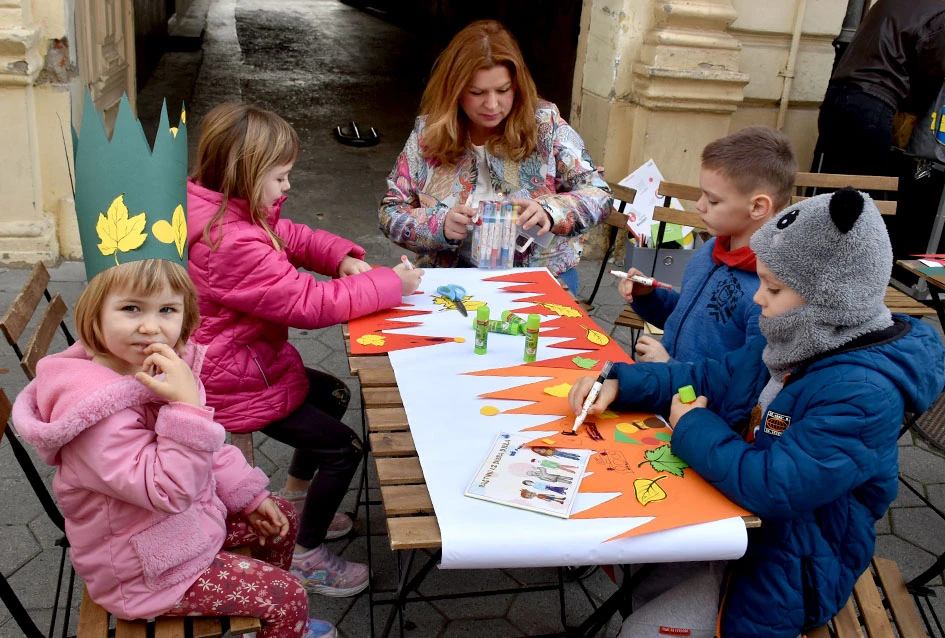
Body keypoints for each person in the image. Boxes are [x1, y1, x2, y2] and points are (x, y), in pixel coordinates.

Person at [569, 188, 945, 637]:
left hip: (788, 565)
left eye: (773, 288)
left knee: (643, 628)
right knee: (615, 542)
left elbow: (774, 486)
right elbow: (708, 376)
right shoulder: (795, 339)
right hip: (733, 524)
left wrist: (692, 424)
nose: (757, 300)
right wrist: (619, 382)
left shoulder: (863, 394)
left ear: (832, 299)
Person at [12, 259, 336, 638]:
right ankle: (277, 619)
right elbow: (167, 490)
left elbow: (206, 447)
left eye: (167, 309)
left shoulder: (146, 366)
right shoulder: (93, 414)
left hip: (182, 529)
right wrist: (188, 410)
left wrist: (247, 494)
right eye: (131, 308)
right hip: (144, 571)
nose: (151, 326)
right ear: (94, 316)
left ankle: (260, 621)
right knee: (288, 597)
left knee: (279, 517)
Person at [187, 103, 424, 597]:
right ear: (245, 175)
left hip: (250, 364)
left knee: (333, 394)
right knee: (345, 449)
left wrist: (337, 257)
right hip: (235, 385)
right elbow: (307, 303)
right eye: (280, 177)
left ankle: (295, 501)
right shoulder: (227, 241)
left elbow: (288, 236)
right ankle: (303, 553)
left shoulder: (229, 210)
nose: (288, 188)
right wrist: (389, 285)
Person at [378, 19, 612, 292]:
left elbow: (599, 194)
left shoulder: (545, 125)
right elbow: (390, 212)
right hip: (450, 281)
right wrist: (438, 225)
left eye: (502, 91)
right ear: (454, 91)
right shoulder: (428, 135)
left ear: (517, 85)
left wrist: (551, 212)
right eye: (477, 92)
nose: (491, 105)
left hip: (538, 278)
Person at [620, 126, 797, 364]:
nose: (700, 206)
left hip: (690, 397)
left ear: (757, 207)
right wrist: (649, 296)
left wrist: (670, 367)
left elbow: (744, 386)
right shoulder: (710, 249)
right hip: (666, 385)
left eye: (713, 200)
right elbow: (686, 319)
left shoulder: (771, 292)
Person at [817, 0, 945, 178]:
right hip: (874, 104)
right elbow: (930, 75)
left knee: (828, 186)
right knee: (865, 192)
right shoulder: (940, 12)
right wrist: (913, 111)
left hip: (837, 95)